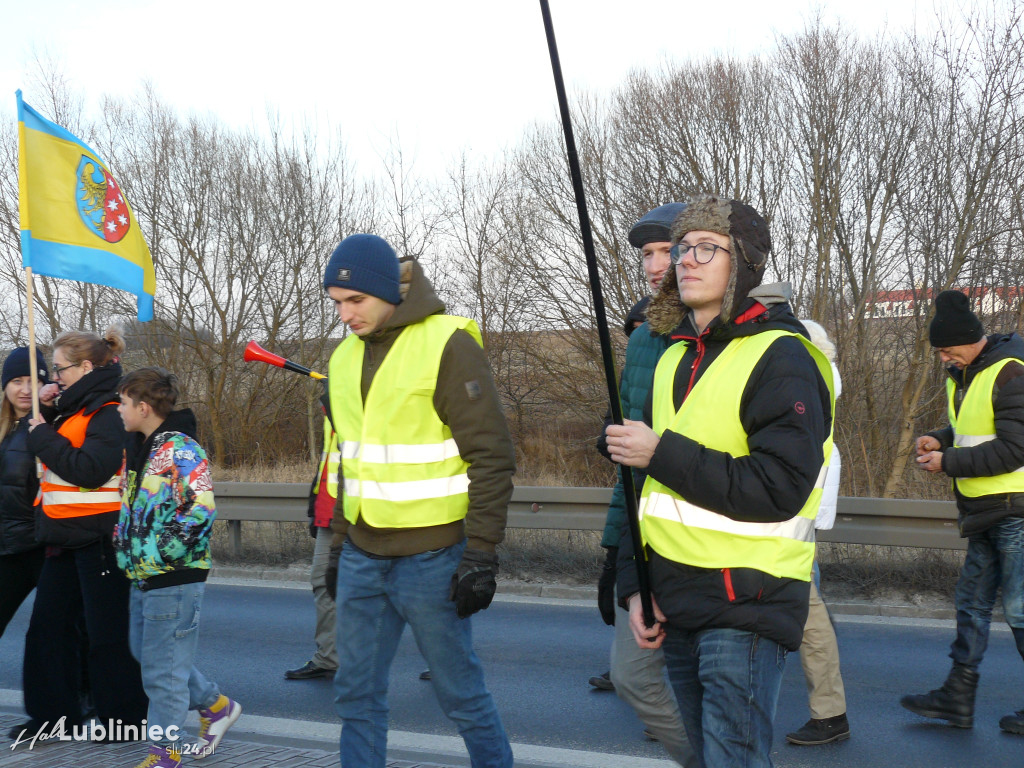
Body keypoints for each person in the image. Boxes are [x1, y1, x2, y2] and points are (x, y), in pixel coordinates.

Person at [607, 195, 833, 767]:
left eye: (707, 247)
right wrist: (637, 586)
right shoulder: (672, 360)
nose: (686, 259)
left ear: (746, 263)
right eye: (683, 248)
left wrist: (662, 451)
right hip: (677, 599)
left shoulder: (784, 357)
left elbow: (780, 486)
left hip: (748, 603)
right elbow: (647, 491)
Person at [322, 234, 515, 767]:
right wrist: (339, 545)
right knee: (355, 696)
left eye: (355, 301)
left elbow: (492, 457)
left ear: (388, 291)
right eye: (337, 303)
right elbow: (349, 462)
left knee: (460, 696)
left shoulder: (448, 343)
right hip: (362, 555)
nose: (345, 315)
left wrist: (481, 554)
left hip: (434, 560)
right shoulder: (342, 359)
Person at [592, 203, 697, 767]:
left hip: (724, 549)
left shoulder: (740, 333)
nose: (656, 265)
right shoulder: (642, 343)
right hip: (652, 540)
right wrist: (617, 552)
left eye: (668, 251)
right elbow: (630, 467)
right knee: (633, 677)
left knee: (723, 697)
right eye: (647, 255)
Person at [12, 327, 148, 741]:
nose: (54, 378)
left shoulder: (107, 411)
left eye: (60, 369)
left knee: (107, 637)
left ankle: (124, 721)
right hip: (65, 539)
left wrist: (41, 435)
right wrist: (51, 413)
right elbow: (62, 451)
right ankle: (54, 718)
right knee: (47, 632)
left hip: (100, 540)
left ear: (86, 367)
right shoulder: (75, 409)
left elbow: (89, 470)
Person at [901, 289, 1024, 735]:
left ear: (971, 339)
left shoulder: (1011, 373)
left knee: (1020, 611)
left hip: (1017, 513)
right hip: (985, 511)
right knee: (971, 606)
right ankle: (957, 698)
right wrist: (940, 438)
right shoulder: (965, 373)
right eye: (938, 351)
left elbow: (1014, 448)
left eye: (946, 349)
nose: (941, 358)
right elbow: (971, 429)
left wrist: (947, 462)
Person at [114, 367, 240, 767]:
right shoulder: (143, 448)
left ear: (144, 407)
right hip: (144, 575)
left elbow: (200, 509)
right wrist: (128, 551)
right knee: (148, 654)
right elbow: (136, 511)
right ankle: (215, 705)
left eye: (123, 402)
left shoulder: (179, 449)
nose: (118, 409)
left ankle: (165, 754)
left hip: (171, 576)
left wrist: (161, 555)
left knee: (162, 676)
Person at [786, 319, 850, 746]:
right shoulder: (814, 367)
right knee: (804, 607)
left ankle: (830, 713)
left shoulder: (801, 368)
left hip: (786, 506)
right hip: (795, 505)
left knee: (806, 609)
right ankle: (830, 712)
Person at [284, 413, 339, 680]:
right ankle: (329, 657)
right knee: (323, 582)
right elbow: (329, 465)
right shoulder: (333, 410)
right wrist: (317, 508)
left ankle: (445, 659)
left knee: (405, 591)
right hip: (332, 514)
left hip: (369, 514)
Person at [0, 348, 50, 639]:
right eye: (17, 380)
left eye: (34, 380)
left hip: (44, 547)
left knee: (63, 633)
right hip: (6, 548)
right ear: (5, 385)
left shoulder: (52, 424)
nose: (26, 389)